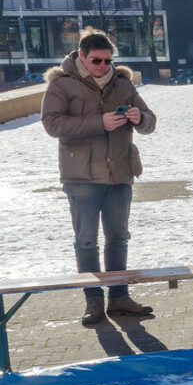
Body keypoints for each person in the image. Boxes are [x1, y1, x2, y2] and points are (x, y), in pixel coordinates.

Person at [41, 30, 157, 326]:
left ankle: (119, 296)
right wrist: (99, 122)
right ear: (81, 56)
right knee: (86, 241)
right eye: (97, 60)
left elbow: (150, 121)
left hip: (120, 174)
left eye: (108, 60)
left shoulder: (122, 83)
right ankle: (93, 301)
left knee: (118, 238)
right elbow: (52, 124)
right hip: (81, 177)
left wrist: (138, 118)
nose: (103, 66)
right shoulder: (61, 85)